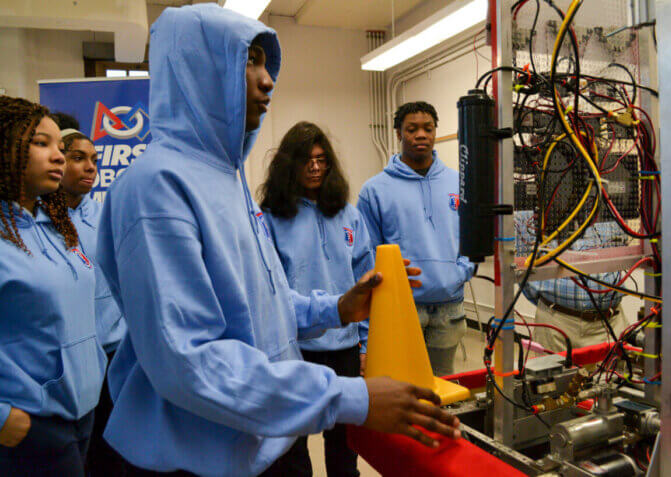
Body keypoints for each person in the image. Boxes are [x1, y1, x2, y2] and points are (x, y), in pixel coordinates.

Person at [96, 5, 460, 476]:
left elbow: (262, 305)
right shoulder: (158, 187)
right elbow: (190, 362)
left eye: (267, 64)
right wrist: (350, 396)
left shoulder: (226, 178)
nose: (267, 79)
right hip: (202, 457)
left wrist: (338, 308)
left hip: (266, 440)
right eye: (250, 61)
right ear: (198, 69)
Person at [260, 121, 374, 477]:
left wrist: (366, 342)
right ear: (289, 166)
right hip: (298, 349)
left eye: (322, 159)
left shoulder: (349, 214)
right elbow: (271, 294)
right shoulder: (270, 219)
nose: (315, 167)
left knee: (344, 443)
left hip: (344, 346)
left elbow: (367, 283)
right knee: (293, 446)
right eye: (306, 160)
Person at [0, 96, 106, 476]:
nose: (59, 156)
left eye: (60, 147)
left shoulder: (56, 225)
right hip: (30, 422)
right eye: (41, 144)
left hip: (81, 413)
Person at [357, 101, 476, 377]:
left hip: (449, 306)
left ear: (435, 132)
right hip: (400, 308)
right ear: (399, 133)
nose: (421, 135)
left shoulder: (458, 182)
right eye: (412, 129)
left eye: (428, 128)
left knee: (443, 384)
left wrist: (460, 272)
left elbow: (472, 234)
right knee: (402, 382)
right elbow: (366, 255)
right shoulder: (374, 190)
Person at [58, 126, 128, 476]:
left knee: (113, 455)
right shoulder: (40, 223)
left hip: (114, 357)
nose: (90, 167)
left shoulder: (106, 215)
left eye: (94, 160)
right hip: (70, 363)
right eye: (78, 158)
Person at [515, 211, 628, 351]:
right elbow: (523, 269)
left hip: (612, 323)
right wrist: (550, 306)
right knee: (553, 373)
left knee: (614, 373)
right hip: (556, 325)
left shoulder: (611, 205)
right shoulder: (532, 213)